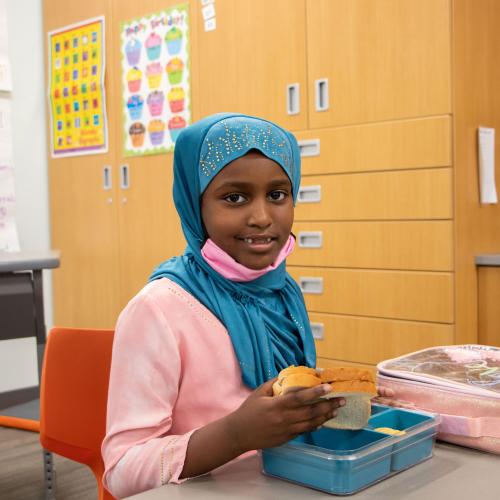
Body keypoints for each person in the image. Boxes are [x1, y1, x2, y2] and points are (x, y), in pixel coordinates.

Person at [102, 113, 385, 498]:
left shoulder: (282, 291)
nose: (261, 217)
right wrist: (235, 434)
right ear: (193, 204)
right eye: (234, 197)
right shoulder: (158, 310)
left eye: (277, 195)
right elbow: (122, 471)